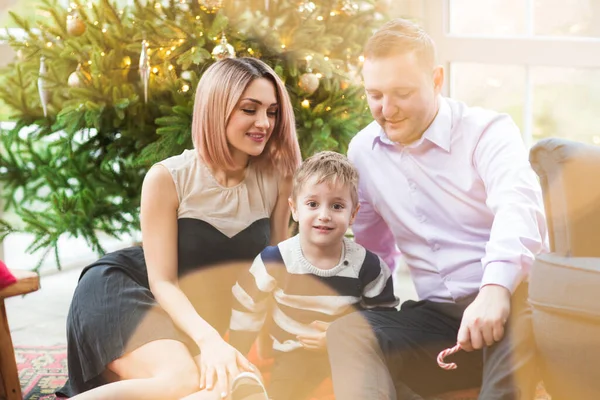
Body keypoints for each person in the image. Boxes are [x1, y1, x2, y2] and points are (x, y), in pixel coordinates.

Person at [326, 19, 549, 400]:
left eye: (402, 93)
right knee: (348, 331)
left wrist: (494, 289)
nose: (386, 109)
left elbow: (519, 207)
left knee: (523, 318)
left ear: (436, 79)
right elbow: (373, 249)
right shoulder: (363, 151)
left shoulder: (488, 132)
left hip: (510, 302)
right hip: (437, 316)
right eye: (374, 94)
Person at [57, 57, 302, 400]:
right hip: (134, 289)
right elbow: (163, 281)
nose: (264, 122)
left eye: (273, 112)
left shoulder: (278, 177)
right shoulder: (168, 177)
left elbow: (279, 268)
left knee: (225, 386)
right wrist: (210, 341)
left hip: (200, 316)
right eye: (250, 109)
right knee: (181, 381)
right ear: (217, 109)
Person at [228, 151, 399, 400]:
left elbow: (382, 319)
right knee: (284, 390)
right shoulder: (275, 261)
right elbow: (247, 306)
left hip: (348, 351)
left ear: (353, 214)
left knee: (375, 386)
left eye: (337, 206)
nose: (324, 215)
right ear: (294, 209)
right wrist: (237, 355)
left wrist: (341, 339)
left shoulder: (368, 267)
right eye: (312, 204)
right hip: (294, 352)